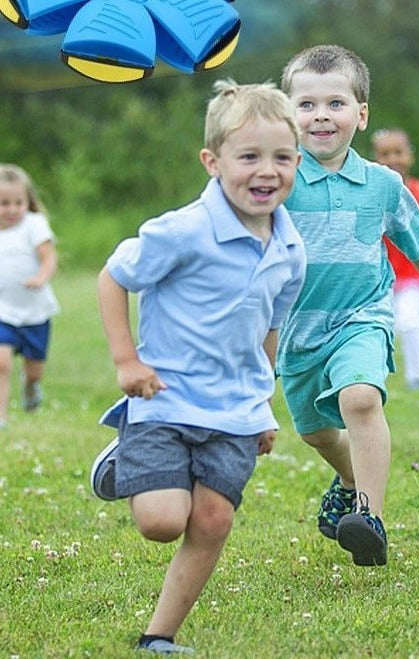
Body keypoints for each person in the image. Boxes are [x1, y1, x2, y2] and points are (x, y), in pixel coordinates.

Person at [88, 80, 306, 654]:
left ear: (298, 162)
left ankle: (158, 637)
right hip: (166, 398)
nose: (267, 171)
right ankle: (129, 455)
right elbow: (113, 277)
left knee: (211, 522)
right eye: (249, 157)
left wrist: (263, 409)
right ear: (213, 162)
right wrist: (125, 360)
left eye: (281, 157)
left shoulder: (290, 249)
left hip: (235, 409)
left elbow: (269, 332)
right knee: (162, 521)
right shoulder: (183, 230)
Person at [278, 44, 419, 568]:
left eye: (336, 103)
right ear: (287, 112)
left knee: (361, 399)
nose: (321, 115)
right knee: (315, 430)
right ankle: (347, 478)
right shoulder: (276, 181)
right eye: (306, 104)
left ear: (361, 114)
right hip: (298, 330)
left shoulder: (383, 186)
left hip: (361, 316)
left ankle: (369, 518)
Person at [371, 128, 419, 389]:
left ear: (410, 155)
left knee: (411, 321)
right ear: (375, 158)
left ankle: (417, 377)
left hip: (415, 273)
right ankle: (377, 377)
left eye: (399, 152)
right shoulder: (373, 192)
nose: (393, 159)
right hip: (383, 274)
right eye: (385, 154)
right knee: (384, 326)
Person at [0, 164, 59, 426]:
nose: (12, 209)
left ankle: (31, 387)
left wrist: (41, 277)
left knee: (34, 369)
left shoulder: (34, 225)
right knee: (1, 363)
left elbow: (48, 257)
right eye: (4, 203)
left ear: (28, 201)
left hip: (35, 312)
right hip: (4, 310)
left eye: (18, 202)